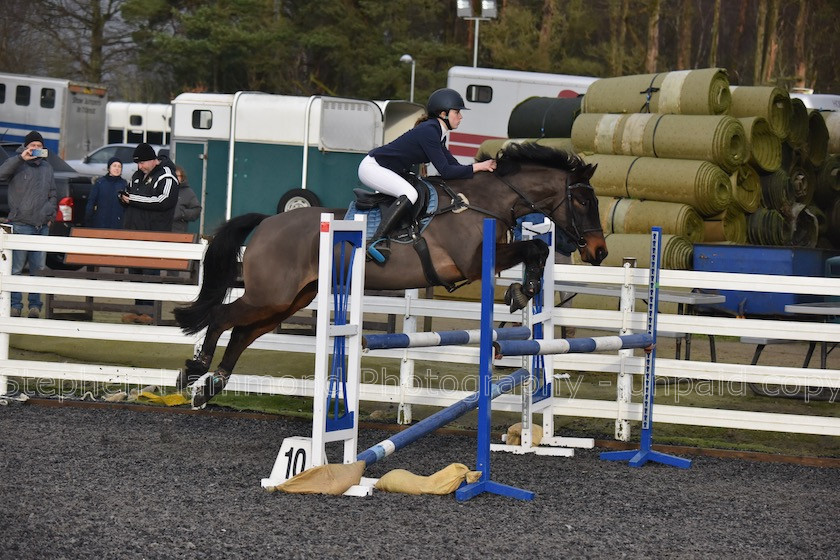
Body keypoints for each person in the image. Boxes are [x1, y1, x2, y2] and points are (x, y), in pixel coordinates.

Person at [357, 87, 496, 258]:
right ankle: (375, 241)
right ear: (443, 114)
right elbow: (445, 171)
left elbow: (455, 166)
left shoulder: (438, 134)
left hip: (387, 169)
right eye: (457, 112)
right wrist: (479, 167)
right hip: (373, 167)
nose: (461, 117)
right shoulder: (429, 131)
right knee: (410, 193)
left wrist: (481, 171)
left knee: (413, 190)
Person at [118, 143, 179, 324]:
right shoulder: (137, 176)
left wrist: (133, 199)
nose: (140, 167)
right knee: (136, 273)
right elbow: (130, 195)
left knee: (150, 273)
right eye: (137, 163)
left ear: (153, 160)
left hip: (155, 233)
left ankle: (150, 312)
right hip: (135, 232)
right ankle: (138, 310)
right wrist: (122, 198)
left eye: (142, 162)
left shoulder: (167, 177)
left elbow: (163, 201)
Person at [0, 131, 57, 318]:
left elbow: (53, 193)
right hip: (21, 224)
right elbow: (1, 175)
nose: (35, 149)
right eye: (32, 146)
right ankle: (15, 306)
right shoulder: (17, 163)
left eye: (39, 146)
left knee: (37, 270)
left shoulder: (48, 168)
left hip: (42, 226)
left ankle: (35, 306)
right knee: (16, 269)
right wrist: (19, 158)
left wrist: (49, 212)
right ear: (26, 147)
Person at [85, 157, 126, 229]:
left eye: (119, 166)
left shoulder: (124, 184)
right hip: (100, 222)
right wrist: (88, 218)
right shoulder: (100, 183)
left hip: (117, 223)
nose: (117, 168)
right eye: (114, 166)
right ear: (109, 168)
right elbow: (91, 202)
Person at [172, 166, 201, 233]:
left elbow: (197, 211)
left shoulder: (188, 192)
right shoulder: (161, 189)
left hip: (178, 232)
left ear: (182, 177)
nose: (174, 178)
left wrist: (182, 213)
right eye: (172, 175)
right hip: (160, 231)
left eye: (177, 176)